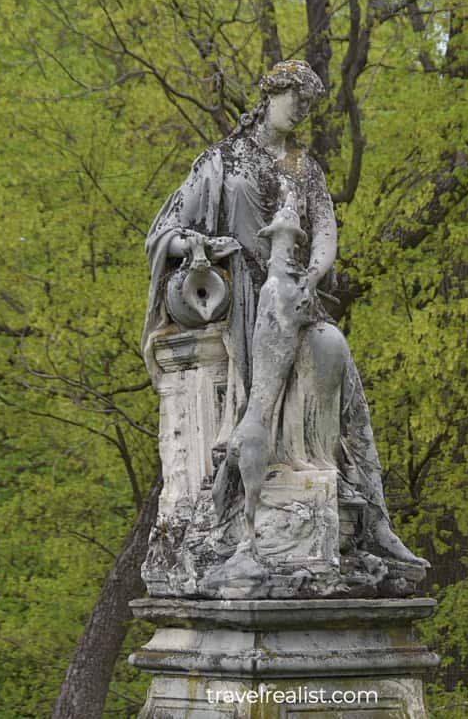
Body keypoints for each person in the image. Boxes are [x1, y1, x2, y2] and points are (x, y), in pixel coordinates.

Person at [142, 60, 427, 568]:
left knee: (332, 346)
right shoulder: (221, 162)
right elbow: (166, 231)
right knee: (284, 320)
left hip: (293, 293)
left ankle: (345, 491)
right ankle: (260, 485)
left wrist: (313, 277)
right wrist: (203, 246)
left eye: (309, 103)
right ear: (270, 93)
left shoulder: (305, 167)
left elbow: (325, 232)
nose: (301, 110)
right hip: (241, 295)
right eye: (295, 97)